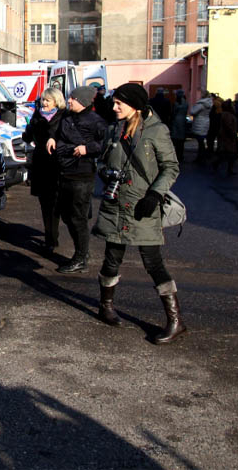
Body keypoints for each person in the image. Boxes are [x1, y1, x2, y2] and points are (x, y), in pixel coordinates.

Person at [90, 83, 185, 343]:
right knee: (111, 259)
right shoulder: (113, 129)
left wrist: (155, 195)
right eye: (114, 102)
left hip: (143, 205)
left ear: (135, 106)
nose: (114, 106)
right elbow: (101, 159)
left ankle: (175, 321)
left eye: (120, 103)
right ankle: (106, 307)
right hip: (115, 204)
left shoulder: (156, 131)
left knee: (153, 263)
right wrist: (104, 172)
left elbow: (171, 167)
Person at [47, 86, 107, 273]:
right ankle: (82, 250)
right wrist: (51, 138)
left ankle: (80, 257)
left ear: (83, 101)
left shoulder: (96, 121)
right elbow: (54, 129)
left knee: (77, 217)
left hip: (82, 175)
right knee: (67, 215)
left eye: (73, 98)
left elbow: (105, 144)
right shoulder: (66, 116)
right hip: (64, 172)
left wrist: (87, 149)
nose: (69, 100)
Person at [22, 87, 64, 249]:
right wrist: (29, 129)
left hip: (58, 164)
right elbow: (28, 136)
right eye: (42, 100)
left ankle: (53, 234)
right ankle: (50, 237)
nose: (44, 103)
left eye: (47, 100)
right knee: (45, 203)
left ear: (56, 101)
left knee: (57, 203)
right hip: (40, 163)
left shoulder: (63, 116)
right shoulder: (37, 115)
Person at [212, 100, 238, 175]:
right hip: (228, 136)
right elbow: (228, 126)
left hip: (226, 136)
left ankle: (221, 165)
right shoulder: (227, 115)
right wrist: (233, 134)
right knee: (229, 153)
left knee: (227, 153)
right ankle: (226, 167)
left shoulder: (225, 114)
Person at [188, 92, 213, 162]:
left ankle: (201, 157)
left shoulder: (201, 104)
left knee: (200, 141)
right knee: (201, 141)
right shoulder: (209, 103)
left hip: (199, 121)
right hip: (206, 121)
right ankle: (202, 156)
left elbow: (192, 111)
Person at [170, 89, 189, 163]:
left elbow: (173, 112)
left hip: (176, 121)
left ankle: (177, 155)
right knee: (181, 141)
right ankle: (180, 155)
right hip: (183, 121)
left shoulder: (176, 103)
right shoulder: (186, 103)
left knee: (176, 140)